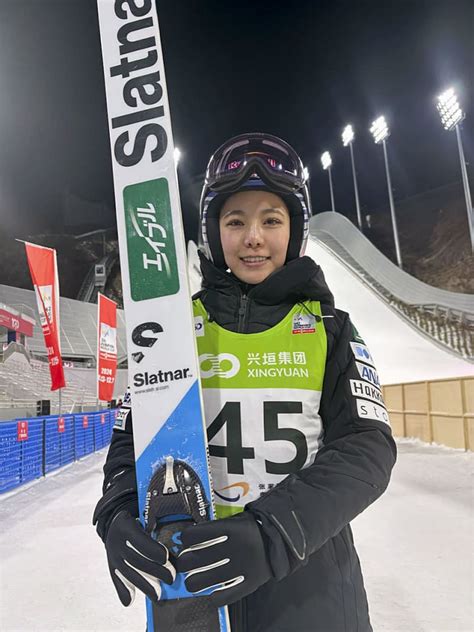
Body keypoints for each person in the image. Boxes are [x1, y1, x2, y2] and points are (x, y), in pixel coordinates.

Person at [93, 132, 397, 632]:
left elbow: (369, 448)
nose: (253, 237)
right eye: (235, 221)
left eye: (271, 220)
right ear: (214, 232)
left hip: (312, 584)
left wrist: (275, 531)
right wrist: (118, 512)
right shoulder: (171, 331)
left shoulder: (330, 329)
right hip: (190, 587)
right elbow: (131, 442)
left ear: (293, 231)